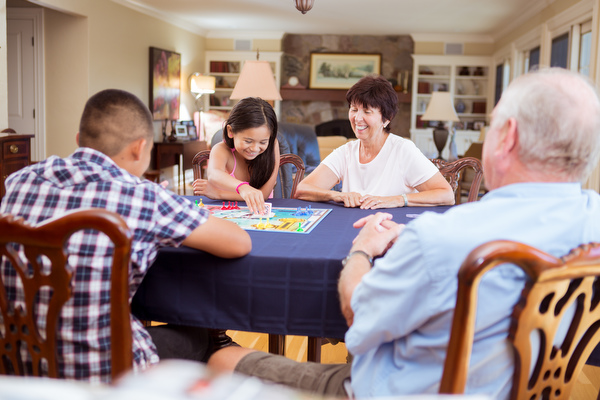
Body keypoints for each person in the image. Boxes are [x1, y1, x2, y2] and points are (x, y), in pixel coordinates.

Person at [207, 68, 600, 399]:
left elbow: (358, 317)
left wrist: (362, 249)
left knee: (219, 356)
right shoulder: (593, 223)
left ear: (508, 136)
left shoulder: (439, 239)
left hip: (396, 390)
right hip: (511, 390)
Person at [0, 89, 252, 383]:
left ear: (79, 140)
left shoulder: (19, 181)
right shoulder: (144, 197)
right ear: (139, 148)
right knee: (208, 335)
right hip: (105, 373)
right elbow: (239, 243)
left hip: (18, 364)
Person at [295, 75, 454, 209]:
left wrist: (398, 199)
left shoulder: (403, 150)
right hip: (355, 226)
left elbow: (446, 195)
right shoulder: (346, 152)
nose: (357, 118)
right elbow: (302, 189)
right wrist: (337, 195)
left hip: (393, 228)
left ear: (386, 118)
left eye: (367, 111)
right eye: (354, 109)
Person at [192, 97, 280, 214]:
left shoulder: (272, 145)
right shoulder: (221, 149)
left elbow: (263, 195)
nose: (254, 148)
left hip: (261, 218)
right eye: (248, 141)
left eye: (263, 142)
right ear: (230, 131)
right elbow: (214, 174)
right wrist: (242, 188)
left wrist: (218, 194)